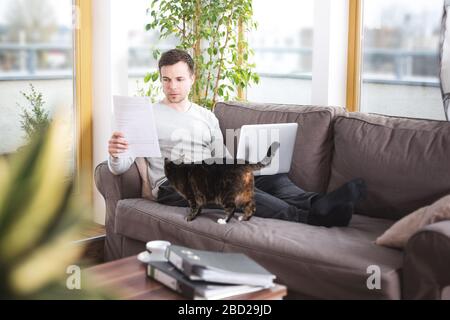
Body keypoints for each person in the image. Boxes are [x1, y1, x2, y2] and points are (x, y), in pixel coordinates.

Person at [108, 49, 366, 227]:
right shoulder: (147, 115)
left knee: (269, 177)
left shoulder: (206, 116)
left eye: (178, 79)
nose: (172, 86)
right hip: (173, 184)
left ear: (192, 79)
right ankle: (308, 217)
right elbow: (120, 166)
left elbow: (221, 157)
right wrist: (116, 153)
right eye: (166, 80)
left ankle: (320, 203)